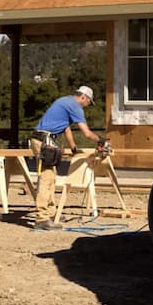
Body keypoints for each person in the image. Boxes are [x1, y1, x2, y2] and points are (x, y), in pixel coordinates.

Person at [29, 85, 104, 231]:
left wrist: (74, 147)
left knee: (51, 176)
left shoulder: (65, 102)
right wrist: (101, 140)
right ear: (84, 97)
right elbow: (87, 134)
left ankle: (50, 213)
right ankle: (41, 218)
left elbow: (66, 128)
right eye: (88, 102)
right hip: (44, 140)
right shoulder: (75, 106)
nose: (87, 106)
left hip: (42, 139)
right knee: (46, 178)